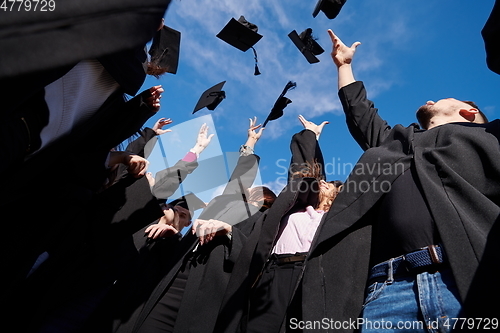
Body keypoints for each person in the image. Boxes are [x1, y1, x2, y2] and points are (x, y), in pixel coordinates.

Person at [297, 29, 500, 333]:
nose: (430, 98)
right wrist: (344, 66)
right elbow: (361, 114)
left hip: (470, 277)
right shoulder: (397, 143)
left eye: (444, 98)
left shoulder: (491, 138)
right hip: (388, 292)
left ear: (470, 112)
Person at [14, 123, 214, 333]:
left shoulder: (155, 234)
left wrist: (196, 151)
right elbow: (140, 164)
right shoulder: (122, 210)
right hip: (54, 272)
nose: (150, 176)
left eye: (183, 214)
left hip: (92, 298)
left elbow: (166, 183)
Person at [101, 117, 276, 333]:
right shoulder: (223, 206)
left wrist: (229, 231)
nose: (245, 190)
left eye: (250, 192)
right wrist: (250, 143)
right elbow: (238, 182)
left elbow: (256, 255)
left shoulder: (261, 220)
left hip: (206, 291)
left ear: (262, 201)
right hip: (173, 278)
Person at [215, 115, 343, 333]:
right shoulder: (298, 207)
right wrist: (312, 136)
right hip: (275, 271)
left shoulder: (333, 219)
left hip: (309, 273)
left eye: (329, 185)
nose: (323, 182)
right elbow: (305, 174)